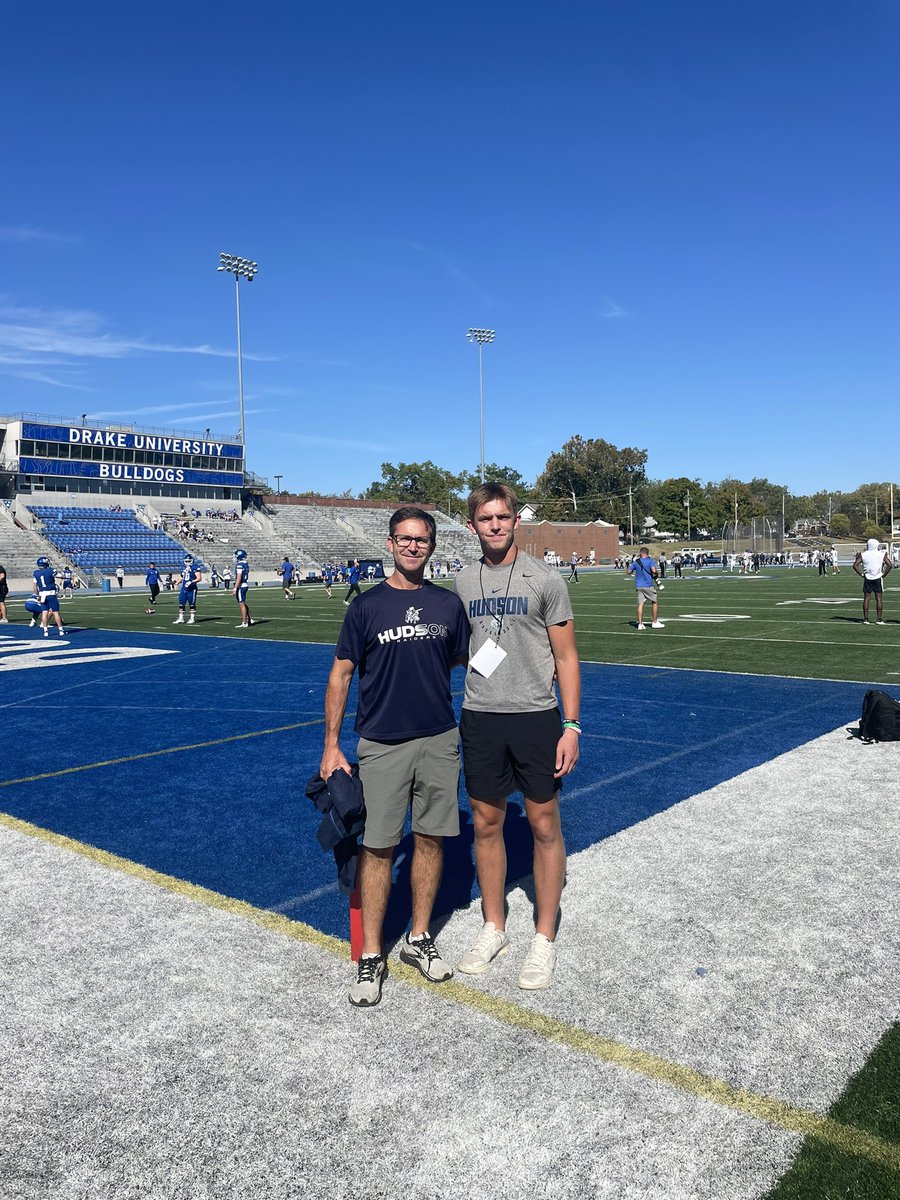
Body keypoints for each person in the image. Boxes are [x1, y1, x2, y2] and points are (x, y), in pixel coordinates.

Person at [320, 507, 469, 1008]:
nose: (412, 547)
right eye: (404, 539)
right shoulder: (366, 607)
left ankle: (419, 938)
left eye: (421, 540)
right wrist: (331, 745)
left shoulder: (448, 605)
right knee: (379, 848)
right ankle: (371, 952)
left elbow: (468, 659)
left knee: (430, 840)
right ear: (390, 543)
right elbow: (341, 675)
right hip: (381, 744)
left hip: (439, 740)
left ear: (431, 546)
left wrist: (535, 674)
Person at [454, 483, 581, 991]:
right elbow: (464, 649)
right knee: (486, 822)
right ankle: (494, 926)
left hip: (536, 716)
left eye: (503, 517)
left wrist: (571, 725)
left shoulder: (545, 578)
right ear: (473, 526)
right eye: (485, 519)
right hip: (480, 716)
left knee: (542, 820)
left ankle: (544, 937)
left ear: (515, 521)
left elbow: (568, 658)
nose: (496, 526)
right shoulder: (462, 582)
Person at [854, 539, 892, 625]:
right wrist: (884, 575)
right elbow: (889, 565)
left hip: (867, 577)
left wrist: (862, 574)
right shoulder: (882, 554)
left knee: (866, 598)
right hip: (878, 577)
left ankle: (866, 619)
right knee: (878, 598)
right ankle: (879, 619)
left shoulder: (863, 554)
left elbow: (855, 565)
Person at [627, 546, 664, 630]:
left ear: (641, 553)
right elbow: (654, 571)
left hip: (639, 585)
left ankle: (640, 624)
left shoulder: (636, 562)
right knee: (654, 602)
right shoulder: (650, 561)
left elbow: (628, 572)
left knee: (640, 604)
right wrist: (657, 573)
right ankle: (654, 622)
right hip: (648, 585)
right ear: (647, 554)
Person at [33, 557, 64, 638]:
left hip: (42, 594)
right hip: (51, 594)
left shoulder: (36, 573)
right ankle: (61, 630)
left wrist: (37, 595)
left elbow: (34, 586)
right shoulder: (51, 571)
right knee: (55, 612)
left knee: (44, 612)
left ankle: (45, 631)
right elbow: (61, 576)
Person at [173, 554, 202, 625]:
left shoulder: (195, 567)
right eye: (186, 561)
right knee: (181, 603)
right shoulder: (183, 567)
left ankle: (192, 618)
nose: (188, 562)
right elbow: (181, 576)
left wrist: (191, 582)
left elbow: (199, 578)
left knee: (191, 604)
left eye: (189, 561)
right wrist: (176, 583)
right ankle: (181, 618)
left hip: (192, 588)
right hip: (184, 588)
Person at [233, 549, 253, 629]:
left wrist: (235, 588)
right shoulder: (245, 564)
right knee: (243, 603)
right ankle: (250, 619)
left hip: (241, 586)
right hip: (245, 585)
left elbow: (239, 577)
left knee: (241, 604)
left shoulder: (239, 565)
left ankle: (244, 622)